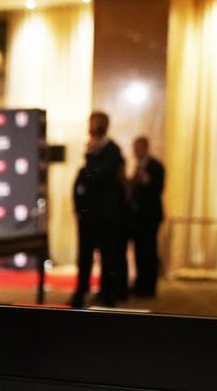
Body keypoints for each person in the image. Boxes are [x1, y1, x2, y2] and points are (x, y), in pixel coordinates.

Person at [69, 112, 126, 308]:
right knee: (84, 256)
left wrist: (91, 157)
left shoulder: (112, 150)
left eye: (95, 123)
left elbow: (103, 177)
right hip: (88, 217)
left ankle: (108, 293)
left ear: (104, 125)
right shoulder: (90, 151)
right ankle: (80, 292)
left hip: (106, 216)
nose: (92, 126)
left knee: (108, 256)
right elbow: (83, 181)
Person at [127, 136, 165, 297]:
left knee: (149, 251)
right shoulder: (137, 167)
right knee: (139, 252)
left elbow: (158, 189)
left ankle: (149, 287)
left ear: (146, 148)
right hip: (138, 218)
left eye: (138, 148)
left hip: (150, 217)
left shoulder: (156, 166)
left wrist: (145, 179)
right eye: (134, 148)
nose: (135, 152)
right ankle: (140, 284)